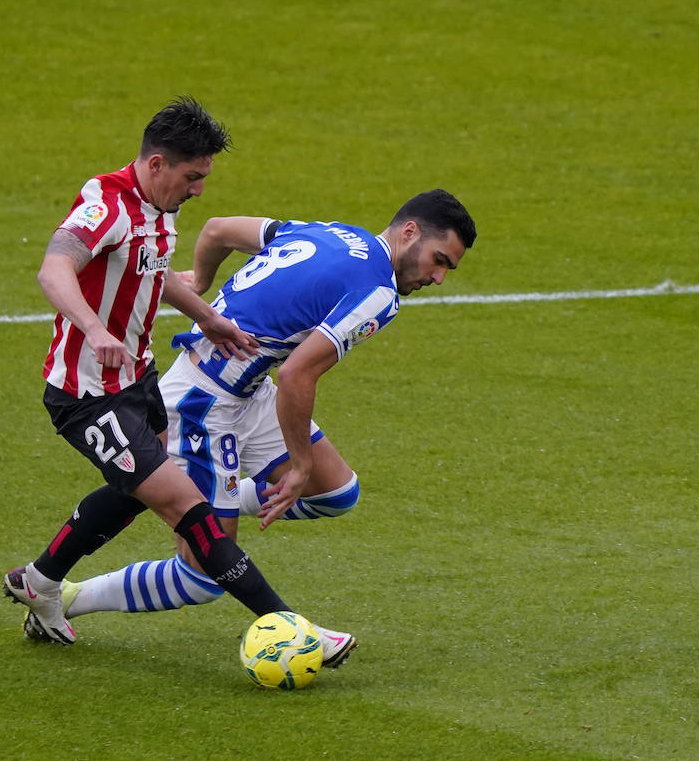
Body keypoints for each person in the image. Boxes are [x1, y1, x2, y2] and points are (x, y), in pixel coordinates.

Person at [2, 97, 355, 665]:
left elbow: (151, 272)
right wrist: (93, 329)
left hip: (137, 382)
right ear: (158, 163)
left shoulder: (158, 209)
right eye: (192, 177)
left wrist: (207, 318)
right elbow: (54, 267)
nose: (198, 191)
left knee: (133, 494)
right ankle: (290, 625)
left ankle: (40, 582)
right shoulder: (106, 203)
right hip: (87, 396)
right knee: (189, 510)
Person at [33, 190, 475, 641]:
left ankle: (199, 502)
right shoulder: (379, 293)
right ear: (409, 232)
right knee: (203, 576)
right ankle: (70, 597)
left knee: (336, 492)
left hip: (246, 388)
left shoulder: (330, 232)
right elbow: (297, 375)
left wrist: (200, 281)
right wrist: (299, 465)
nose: (438, 277)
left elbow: (218, 229)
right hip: (202, 403)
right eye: (439, 260)